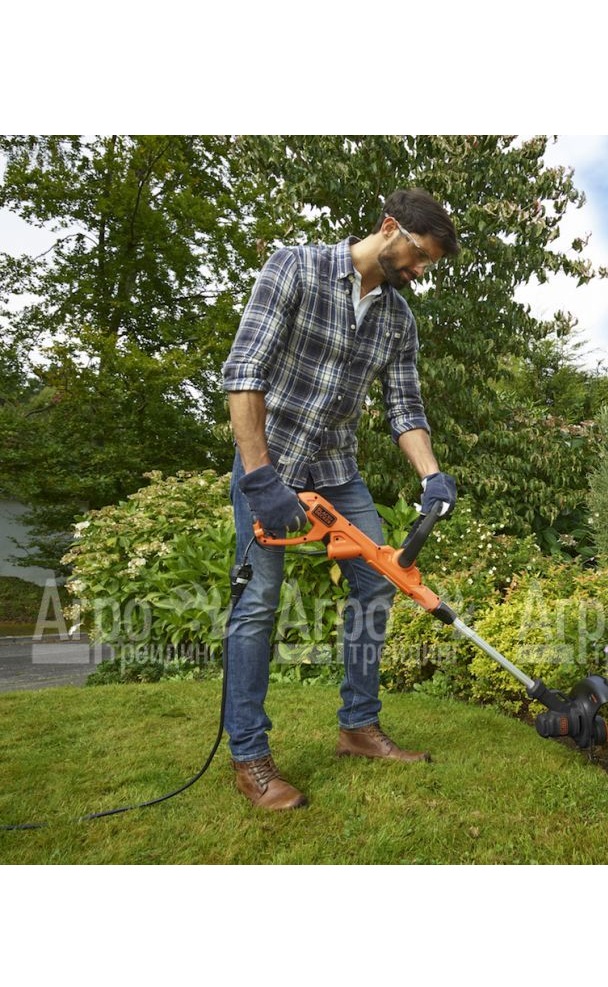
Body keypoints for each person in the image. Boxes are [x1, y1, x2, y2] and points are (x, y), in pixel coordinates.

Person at [221, 188, 460, 810]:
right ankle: (249, 757)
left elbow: (405, 408)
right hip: (268, 461)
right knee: (257, 603)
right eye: (418, 255)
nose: (419, 271)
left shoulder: (398, 320)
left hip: (336, 470)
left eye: (428, 264)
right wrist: (260, 478)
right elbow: (244, 372)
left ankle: (358, 726)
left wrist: (432, 476)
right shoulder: (295, 267)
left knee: (379, 581)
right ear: (390, 227)